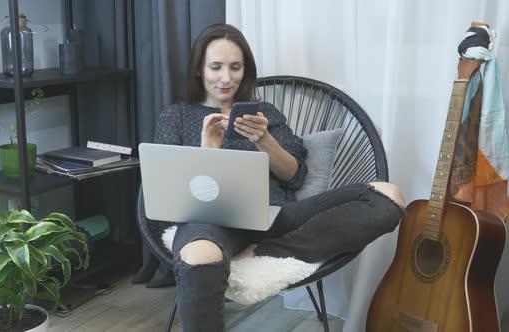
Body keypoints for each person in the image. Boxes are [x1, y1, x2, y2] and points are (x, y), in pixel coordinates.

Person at [154, 23, 405, 331]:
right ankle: (244, 249)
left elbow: (296, 177)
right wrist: (209, 151)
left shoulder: (265, 113)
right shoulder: (175, 117)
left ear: (245, 70)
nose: (226, 78)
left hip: (277, 217)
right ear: (198, 70)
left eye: (235, 67)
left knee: (387, 197)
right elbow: (173, 194)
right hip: (211, 221)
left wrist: (264, 141)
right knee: (198, 254)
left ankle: (268, 251)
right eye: (216, 67)